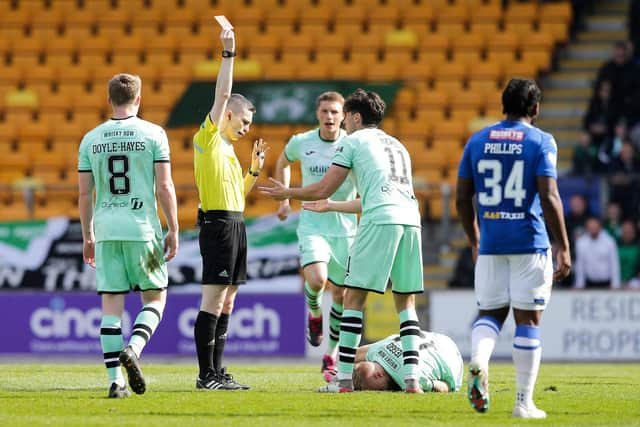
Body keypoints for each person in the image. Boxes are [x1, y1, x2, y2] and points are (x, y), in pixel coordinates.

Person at [261, 88, 425, 394]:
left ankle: (344, 381)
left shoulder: (353, 141)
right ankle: (413, 380)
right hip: (411, 219)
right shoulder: (398, 145)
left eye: (346, 116)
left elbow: (323, 188)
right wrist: (334, 205)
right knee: (406, 302)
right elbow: (376, 196)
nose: (343, 123)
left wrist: (288, 193)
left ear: (356, 116)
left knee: (352, 298)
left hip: (380, 221)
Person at [456, 78, 571, 419]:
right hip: (529, 242)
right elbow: (549, 196)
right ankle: (523, 403)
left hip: (491, 244)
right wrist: (563, 245)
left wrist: (474, 238)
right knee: (528, 320)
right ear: (535, 108)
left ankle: (479, 360)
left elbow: (462, 197)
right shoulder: (541, 141)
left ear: (503, 105)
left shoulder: (478, 140)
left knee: (490, 314)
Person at [78, 73, 179, 398]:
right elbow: (164, 186)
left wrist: (87, 235)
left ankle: (115, 382)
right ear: (139, 99)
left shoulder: (90, 138)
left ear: (109, 100)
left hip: (106, 231)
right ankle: (134, 349)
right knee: (155, 297)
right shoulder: (154, 134)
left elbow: (83, 195)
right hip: (142, 228)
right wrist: (174, 227)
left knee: (111, 306)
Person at [192, 27, 268, 391]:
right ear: (228, 116)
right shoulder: (207, 138)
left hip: (235, 223)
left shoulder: (232, 154)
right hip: (218, 226)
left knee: (229, 301)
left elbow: (238, 195)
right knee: (214, 298)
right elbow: (222, 92)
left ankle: (218, 372)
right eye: (245, 121)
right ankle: (205, 375)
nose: (247, 128)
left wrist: (253, 170)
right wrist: (229, 53)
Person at [274, 91, 357, 381]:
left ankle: (331, 354)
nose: (330, 117)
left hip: (345, 229)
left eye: (335, 112)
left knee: (341, 294)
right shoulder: (302, 142)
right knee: (317, 280)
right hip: (312, 224)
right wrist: (284, 200)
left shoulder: (353, 144)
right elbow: (283, 162)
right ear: (317, 114)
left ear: (344, 115)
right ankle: (313, 312)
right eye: (325, 111)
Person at [317, 329, 463, 393]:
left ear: (378, 375)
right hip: (437, 338)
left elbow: (447, 387)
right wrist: (338, 371)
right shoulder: (377, 351)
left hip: (453, 359)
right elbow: (351, 355)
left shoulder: (411, 379)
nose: (381, 391)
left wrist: (338, 377)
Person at [573, 216, 620, 290]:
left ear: (600, 226)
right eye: (590, 227)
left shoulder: (609, 241)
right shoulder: (581, 243)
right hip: (589, 283)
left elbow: (614, 264)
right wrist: (579, 285)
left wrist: (615, 284)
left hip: (606, 283)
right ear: (587, 228)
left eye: (595, 226)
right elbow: (580, 265)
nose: (593, 229)